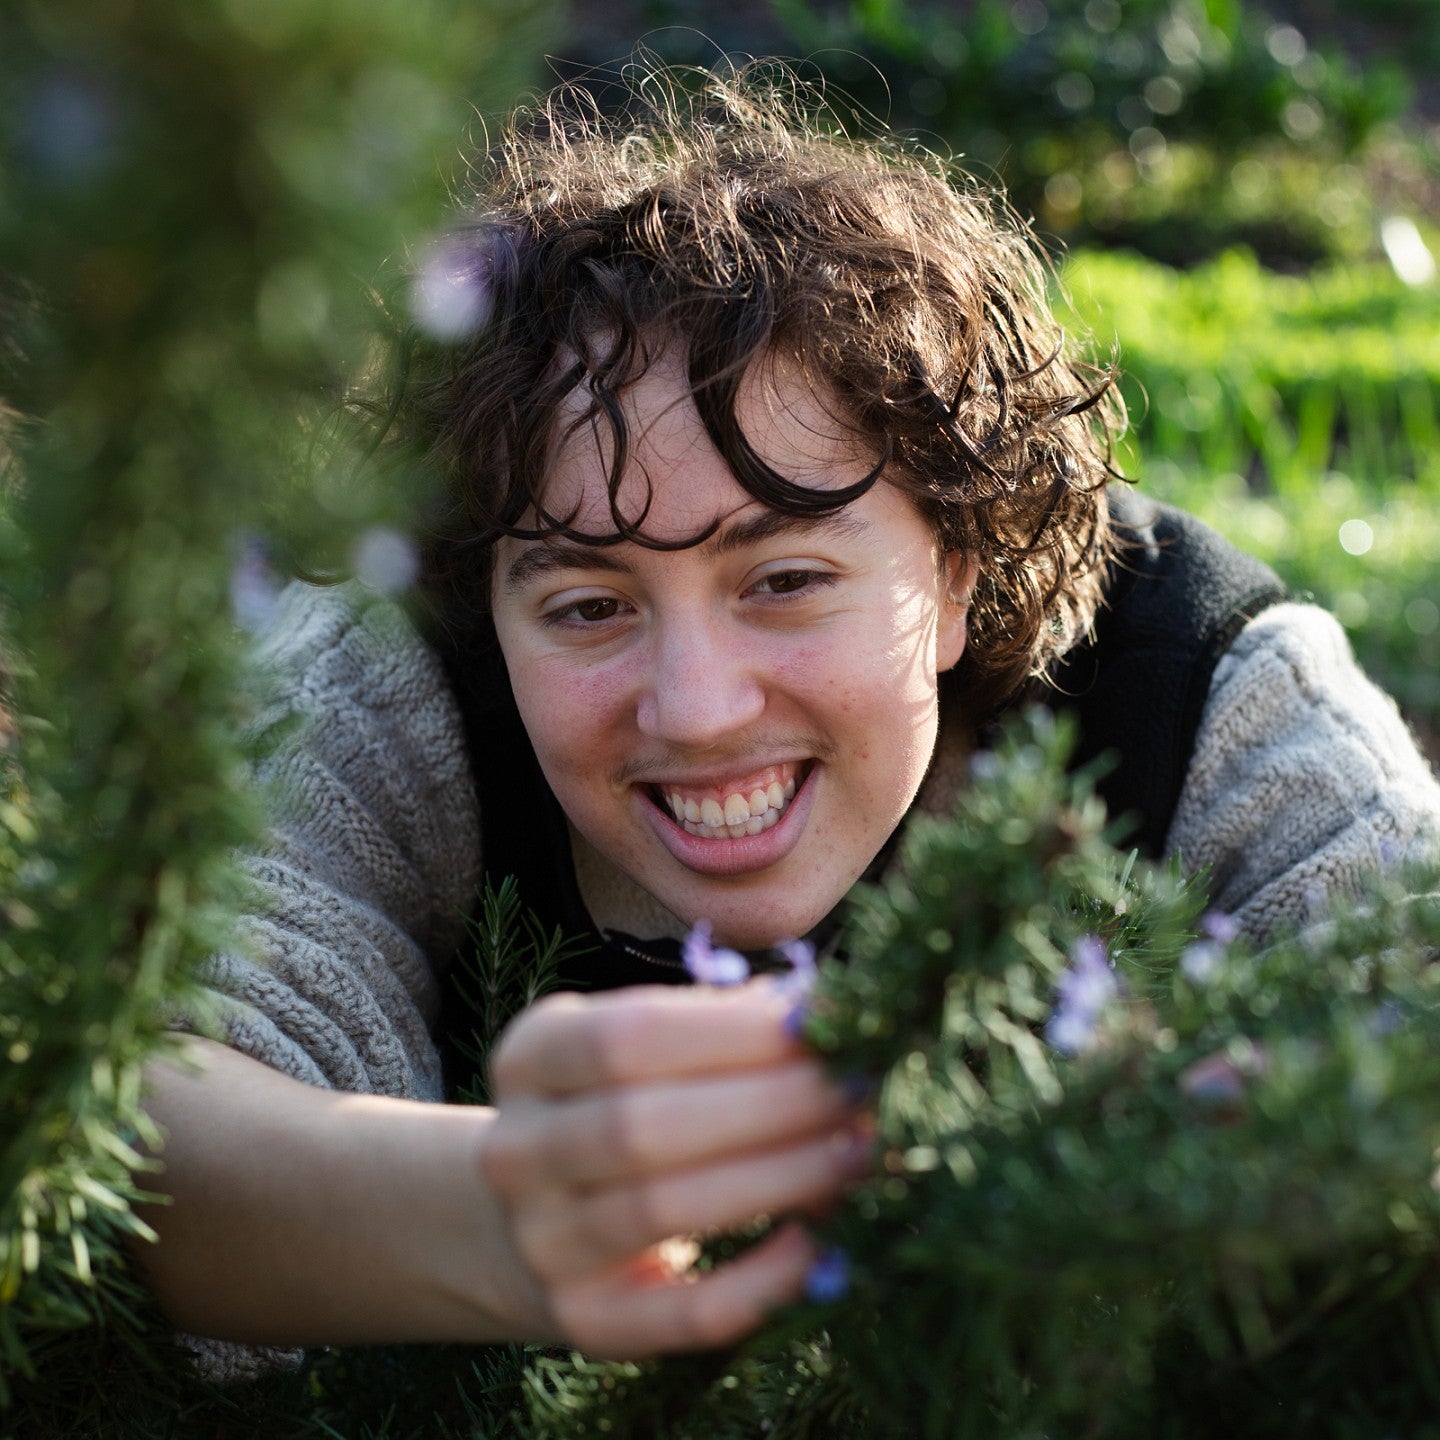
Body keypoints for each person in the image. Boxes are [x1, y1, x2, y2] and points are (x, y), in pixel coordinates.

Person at [133, 60, 1440, 1381]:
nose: (697, 712)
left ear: (954, 574)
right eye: (589, 606)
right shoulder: (381, 679)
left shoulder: (1215, 690)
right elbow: (169, 1113)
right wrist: (505, 1212)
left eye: (786, 580)